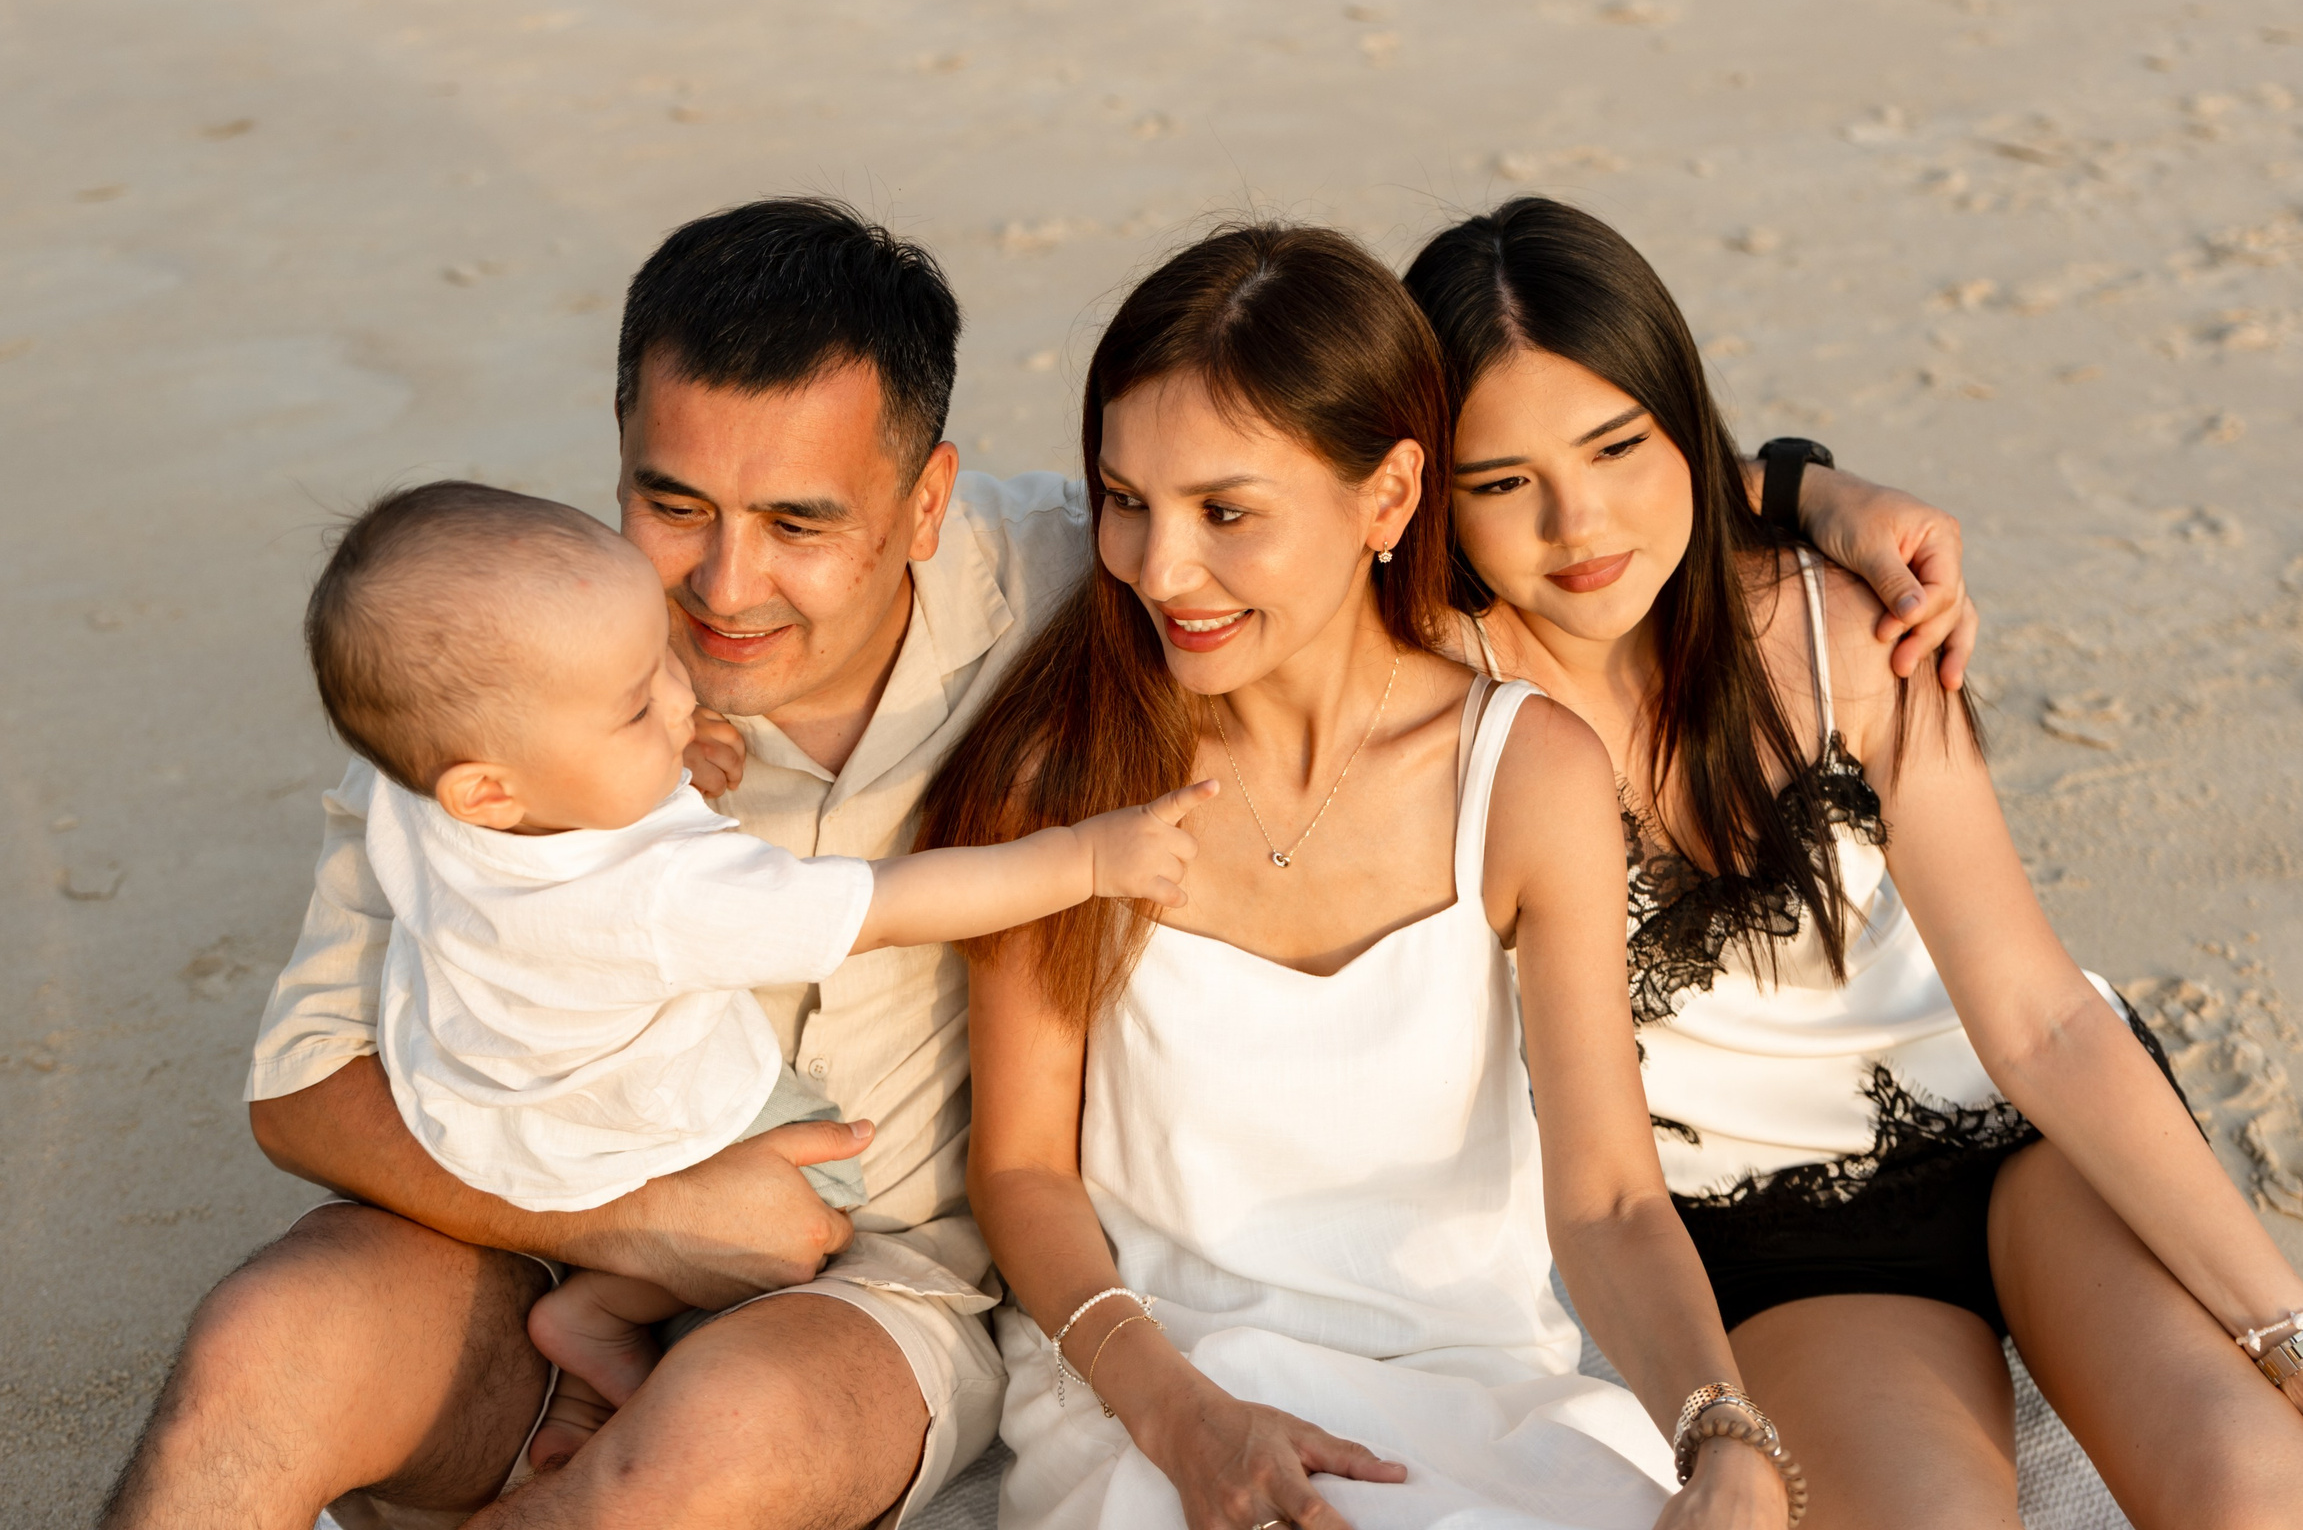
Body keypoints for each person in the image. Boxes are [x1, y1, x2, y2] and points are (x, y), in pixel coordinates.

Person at [101, 195, 1972, 1530]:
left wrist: (1806, 490)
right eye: (671, 506)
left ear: (930, 500)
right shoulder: (509, 683)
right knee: (257, 1349)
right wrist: (609, 1231)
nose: (724, 586)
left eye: (798, 521)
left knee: (704, 1464)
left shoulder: (1072, 613)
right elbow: (299, 1088)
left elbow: (1518, 474)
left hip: (876, 1292)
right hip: (524, 1218)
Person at [1401, 195, 2303, 1529]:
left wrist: (2281, 1330)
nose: (1577, 524)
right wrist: (1816, 485)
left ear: (1681, 430)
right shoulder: (1432, 697)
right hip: (1769, 1237)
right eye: (1499, 484)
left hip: (2018, 1140)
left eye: (1617, 447)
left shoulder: (1830, 627)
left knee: (2252, 1492)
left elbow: (2038, 1018)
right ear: (1428, 496)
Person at [926, 222, 1810, 1530]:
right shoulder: (1065, 777)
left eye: (1224, 512)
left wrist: (1721, 1431)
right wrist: (1173, 1414)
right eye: (1124, 502)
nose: (1158, 569)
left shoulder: (1520, 776)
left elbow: (1609, 1196)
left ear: (1387, 498)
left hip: (1476, 1390)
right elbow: (1020, 1174)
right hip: (1154, 1390)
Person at [298, 478, 1208, 1467]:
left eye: (662, 666)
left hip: (480, 1096)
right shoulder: (664, 890)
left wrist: (656, 753)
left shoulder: (428, 800)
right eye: (639, 704)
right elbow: (894, 903)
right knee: (821, 1190)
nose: (685, 696)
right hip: (631, 1122)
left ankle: (580, 1382)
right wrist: (1085, 859)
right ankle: (609, 1308)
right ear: (488, 788)